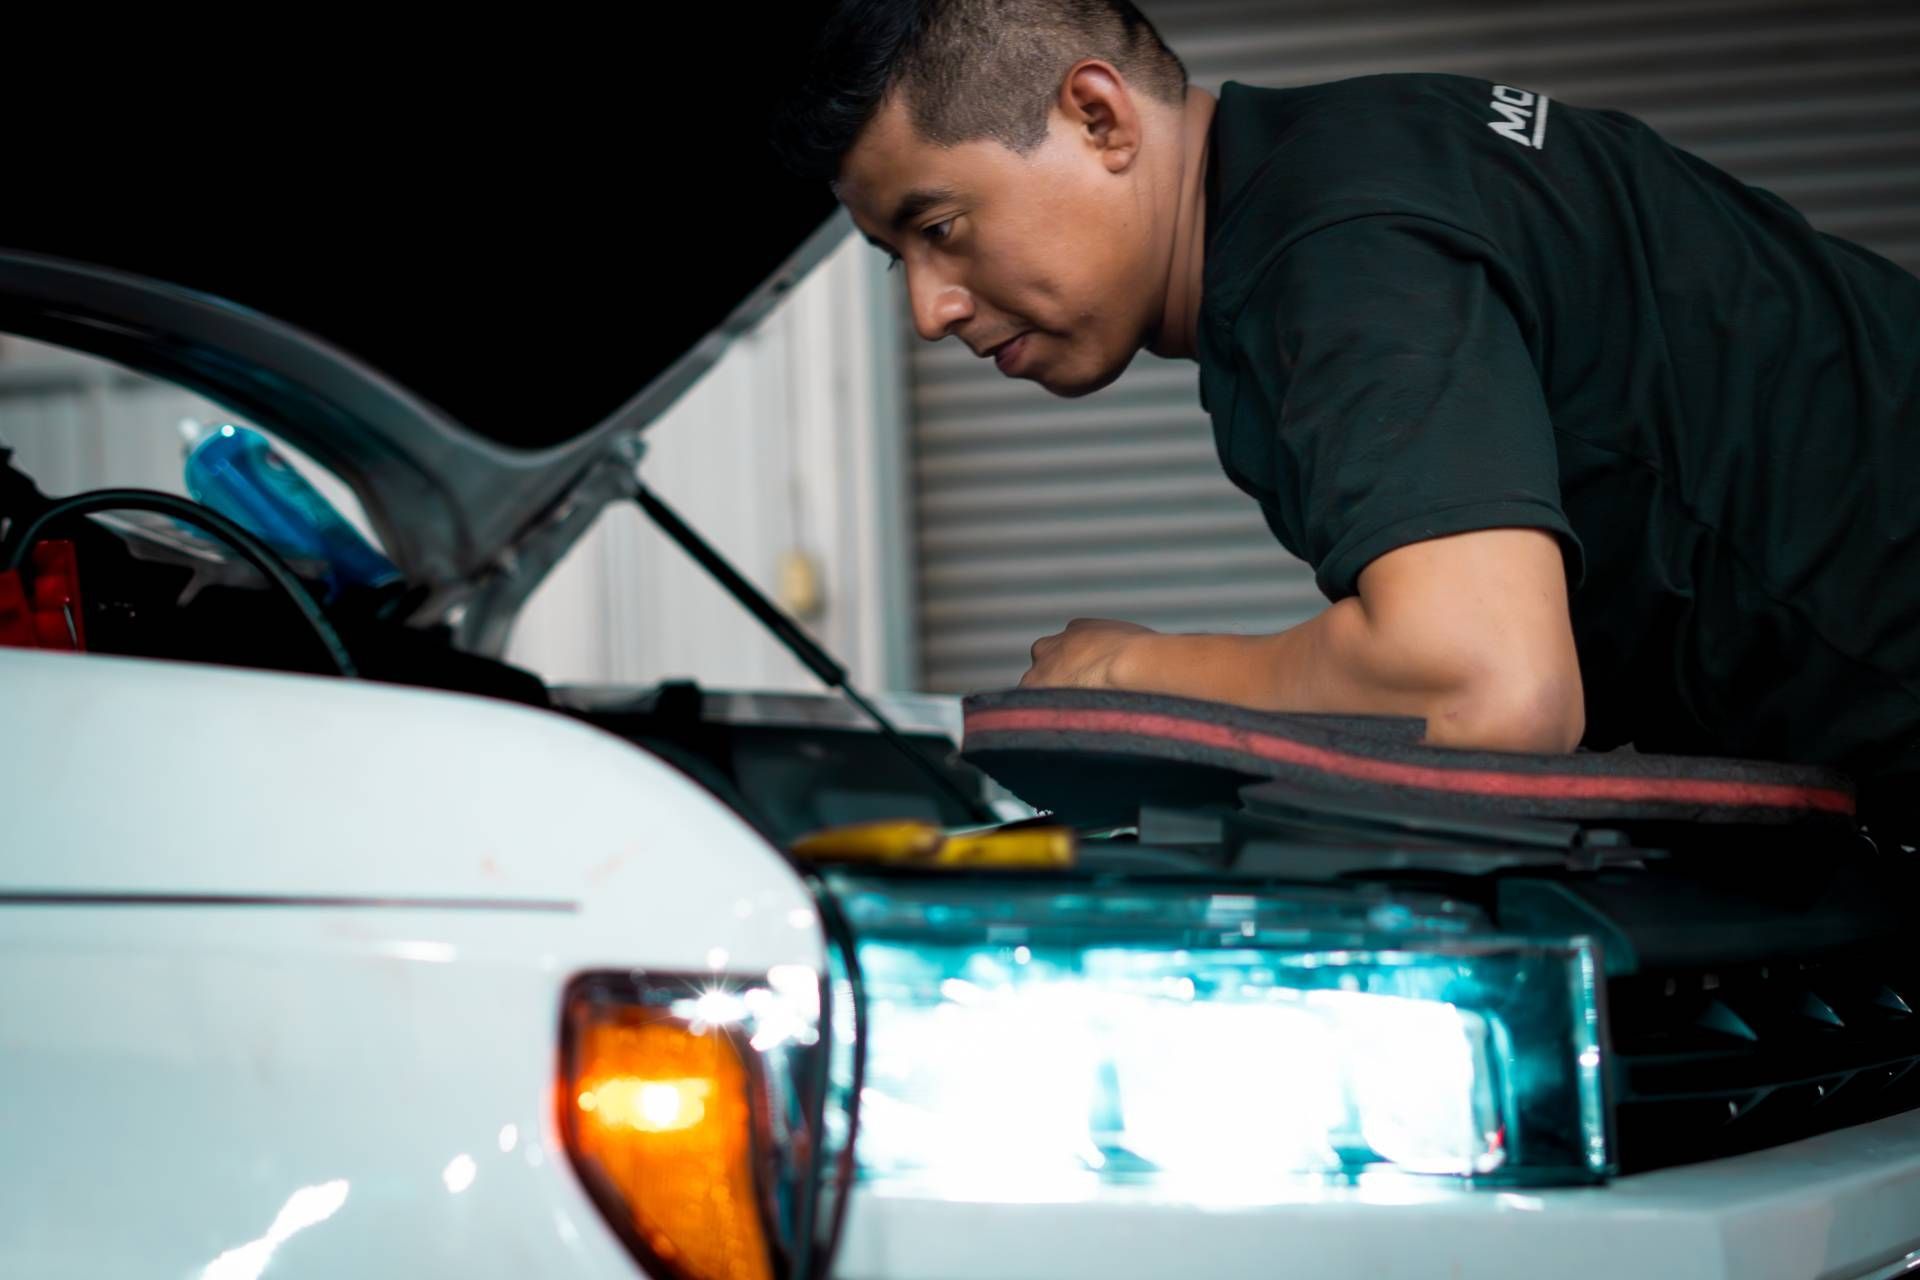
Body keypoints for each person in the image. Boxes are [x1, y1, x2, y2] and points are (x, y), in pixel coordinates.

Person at [772, 0, 1920, 824]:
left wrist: (1130, 672)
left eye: (941, 228)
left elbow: (1487, 687)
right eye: (893, 262)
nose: (929, 310)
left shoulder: (1330, 248)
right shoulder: (1357, 158)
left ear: (1098, 117)